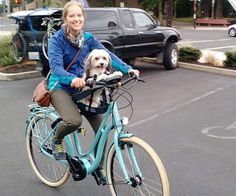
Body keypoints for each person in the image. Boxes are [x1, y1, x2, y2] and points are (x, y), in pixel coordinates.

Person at [47, 1, 139, 181]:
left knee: (102, 130)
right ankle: (56, 140)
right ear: (65, 19)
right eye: (72, 16)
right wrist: (71, 78)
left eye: (79, 15)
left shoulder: (88, 39)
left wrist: (127, 68)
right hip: (60, 87)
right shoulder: (56, 40)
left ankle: (98, 166)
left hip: (84, 88)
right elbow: (56, 67)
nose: (76, 19)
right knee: (73, 121)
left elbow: (108, 55)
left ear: (83, 17)